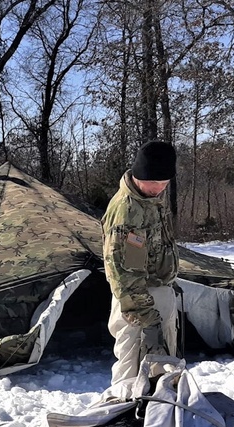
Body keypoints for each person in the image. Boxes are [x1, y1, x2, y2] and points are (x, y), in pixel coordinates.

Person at [101, 140, 180, 385]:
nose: (159, 188)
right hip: (137, 309)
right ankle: (122, 418)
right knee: (131, 376)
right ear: (138, 175)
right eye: (153, 183)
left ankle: (155, 419)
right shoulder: (128, 212)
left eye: (164, 183)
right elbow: (125, 274)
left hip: (157, 297)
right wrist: (147, 320)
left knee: (162, 375)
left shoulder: (149, 199)